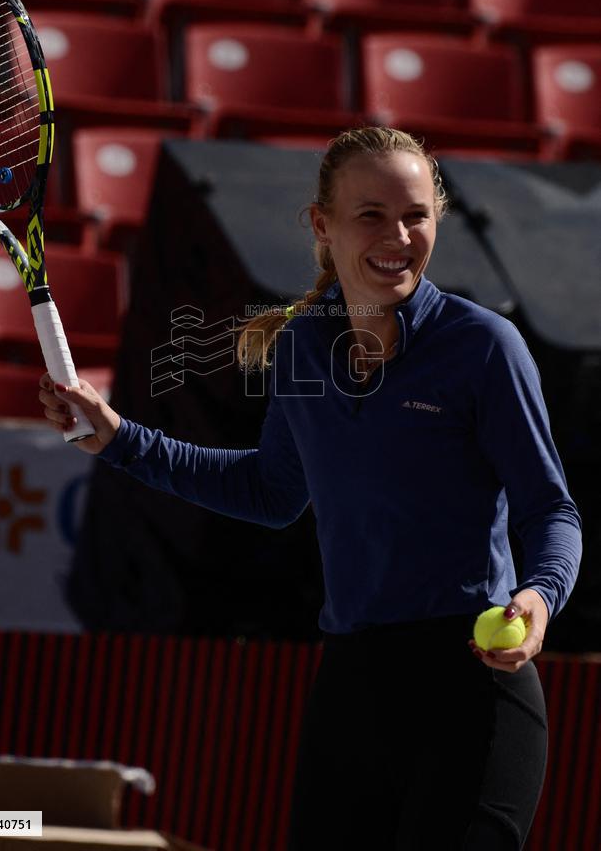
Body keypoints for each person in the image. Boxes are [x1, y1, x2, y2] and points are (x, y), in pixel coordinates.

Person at [39, 126, 582, 850]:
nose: (398, 235)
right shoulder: (300, 345)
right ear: (322, 224)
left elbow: (552, 508)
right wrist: (121, 439)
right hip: (351, 686)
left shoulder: (484, 346)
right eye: (371, 215)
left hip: (472, 687)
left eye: (416, 215)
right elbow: (273, 491)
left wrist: (541, 595)